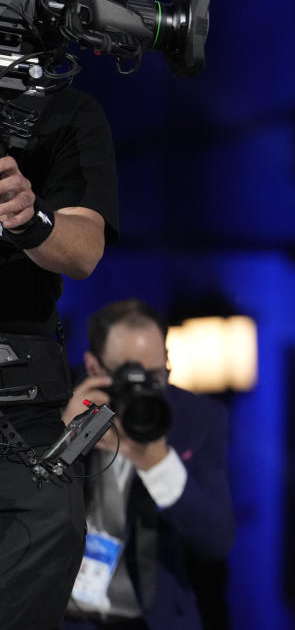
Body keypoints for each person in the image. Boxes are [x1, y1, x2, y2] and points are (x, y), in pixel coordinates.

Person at [0, 79, 119, 630]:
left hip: (22, 400)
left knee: (51, 522)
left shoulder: (71, 111)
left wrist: (29, 220)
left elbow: (85, 248)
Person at [60, 299, 235, 630]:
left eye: (155, 375)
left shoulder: (194, 418)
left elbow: (217, 539)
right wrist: (62, 440)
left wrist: (156, 461)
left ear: (168, 362)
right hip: (63, 617)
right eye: (130, 376)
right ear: (94, 368)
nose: (143, 389)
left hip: (154, 619)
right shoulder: (64, 405)